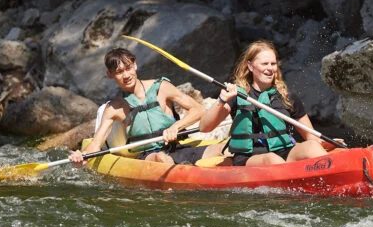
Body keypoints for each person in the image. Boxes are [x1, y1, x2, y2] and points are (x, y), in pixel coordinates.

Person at [69, 47, 223, 166]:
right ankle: (182, 175)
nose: (126, 75)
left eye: (128, 68)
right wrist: (81, 157)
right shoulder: (114, 108)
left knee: (223, 149)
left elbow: (199, 110)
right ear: (110, 75)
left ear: (135, 65)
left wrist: (176, 126)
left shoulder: (162, 87)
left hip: (176, 148)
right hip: (148, 157)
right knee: (160, 158)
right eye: (119, 72)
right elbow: (96, 144)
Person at [199, 40, 336, 167]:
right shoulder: (237, 95)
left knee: (311, 146)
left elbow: (311, 137)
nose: (270, 68)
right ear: (250, 66)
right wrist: (222, 100)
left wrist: (327, 143)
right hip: (250, 157)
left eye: (273, 63)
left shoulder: (287, 96)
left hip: (284, 151)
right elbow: (205, 127)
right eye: (265, 64)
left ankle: (336, 176)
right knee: (272, 159)